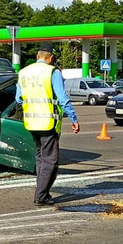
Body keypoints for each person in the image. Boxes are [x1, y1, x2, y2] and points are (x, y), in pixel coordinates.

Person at [16, 42, 80, 206]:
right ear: (50, 57)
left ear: (37, 56)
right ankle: (41, 195)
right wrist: (73, 118)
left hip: (30, 121)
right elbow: (63, 98)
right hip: (47, 121)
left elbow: (18, 98)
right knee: (50, 160)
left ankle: (42, 191)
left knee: (40, 157)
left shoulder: (24, 72)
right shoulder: (52, 72)